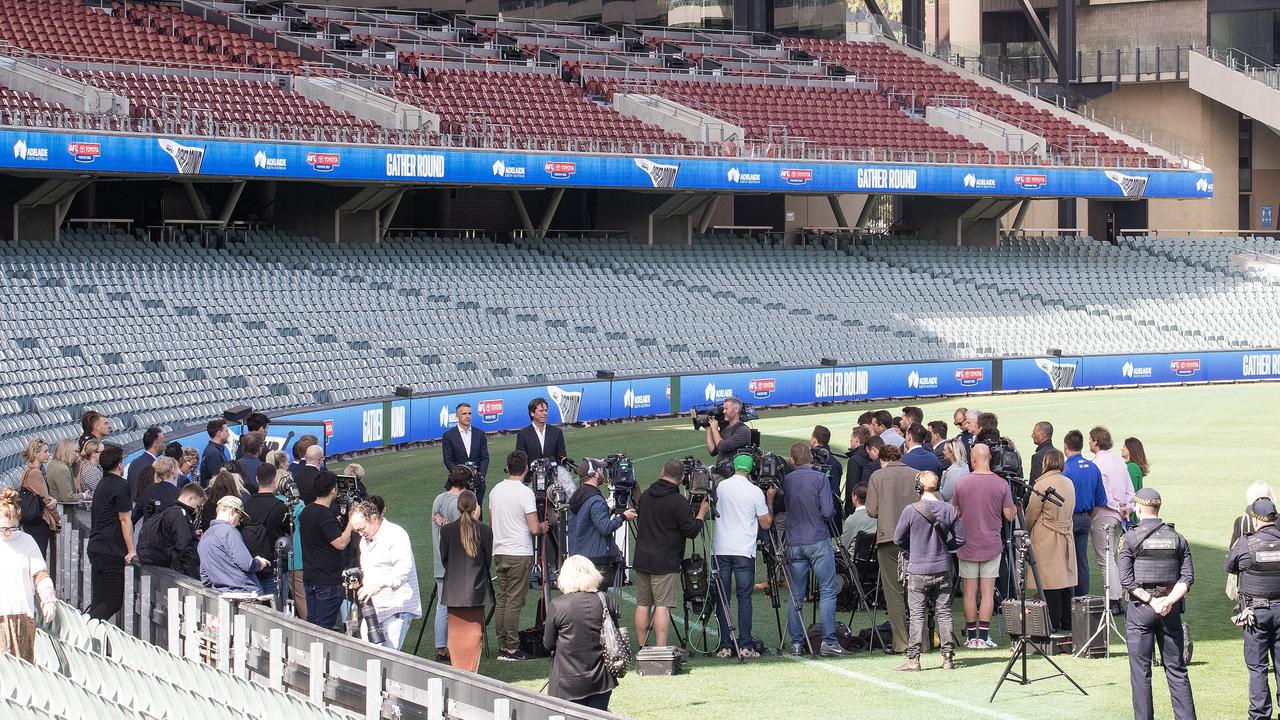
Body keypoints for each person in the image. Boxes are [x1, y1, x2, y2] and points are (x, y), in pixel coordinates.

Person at [1118, 488, 1196, 720]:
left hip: (1142, 609)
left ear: (1140, 508)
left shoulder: (1129, 538)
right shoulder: (1177, 538)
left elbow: (1126, 580)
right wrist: (1167, 601)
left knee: (1141, 673)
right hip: (1170, 609)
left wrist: (1152, 601)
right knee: (1177, 670)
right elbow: (1187, 579)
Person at [782, 444, 851, 657]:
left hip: (794, 541)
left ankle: (796, 643)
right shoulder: (820, 478)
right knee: (828, 590)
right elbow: (829, 512)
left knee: (796, 595)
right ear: (810, 458)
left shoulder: (786, 480)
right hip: (817, 539)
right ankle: (829, 641)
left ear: (793, 460)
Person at [634, 458, 709, 648]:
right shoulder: (677, 501)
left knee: (643, 604)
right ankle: (660, 648)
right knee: (662, 605)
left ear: (662, 472)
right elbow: (691, 530)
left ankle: (642, 647)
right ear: (683, 478)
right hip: (664, 561)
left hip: (643, 558)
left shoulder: (646, 495)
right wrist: (702, 512)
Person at [893, 470, 964, 671]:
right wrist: (945, 547)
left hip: (918, 569)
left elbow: (898, 539)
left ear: (918, 488)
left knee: (916, 615)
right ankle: (948, 657)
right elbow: (961, 539)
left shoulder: (911, 510)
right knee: (944, 613)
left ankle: (913, 660)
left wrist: (913, 547)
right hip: (942, 567)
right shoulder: (949, 509)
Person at [951, 443, 1016, 649]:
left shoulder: (962, 483)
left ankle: (972, 637)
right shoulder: (1001, 484)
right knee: (987, 592)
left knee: (970, 592)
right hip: (991, 544)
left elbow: (955, 512)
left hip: (967, 545)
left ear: (973, 459)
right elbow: (1009, 515)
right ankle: (984, 636)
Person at [711, 453, 772, 659]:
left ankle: (725, 645)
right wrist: (770, 499)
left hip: (721, 549)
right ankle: (745, 644)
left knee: (723, 598)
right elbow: (766, 523)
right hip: (744, 550)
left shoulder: (721, 487)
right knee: (744, 598)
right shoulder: (755, 491)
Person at [488, 450, 547, 661]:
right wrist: (545, 525)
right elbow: (533, 528)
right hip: (518, 552)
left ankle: (504, 643)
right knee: (513, 601)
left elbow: (491, 522)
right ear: (526, 468)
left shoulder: (495, 491)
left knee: (503, 599)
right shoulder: (524, 493)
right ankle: (511, 647)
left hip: (500, 550)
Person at [1226, 497, 1280, 720]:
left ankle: (1259, 715)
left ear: (1256, 520)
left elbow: (1230, 565)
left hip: (1255, 613)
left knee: (1257, 667)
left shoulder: (1246, 543)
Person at [543, 555, 619, 710]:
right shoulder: (603, 599)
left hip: (567, 683)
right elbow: (614, 634)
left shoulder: (558, 605)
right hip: (601, 680)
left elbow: (547, 644)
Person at [349, 500, 422, 650]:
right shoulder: (365, 540)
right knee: (369, 651)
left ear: (374, 519)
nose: (360, 533)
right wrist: (358, 580)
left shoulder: (395, 534)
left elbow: (404, 567)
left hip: (397, 606)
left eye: (362, 529)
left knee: (388, 656)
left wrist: (377, 586)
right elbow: (374, 568)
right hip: (375, 606)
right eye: (357, 531)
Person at [865, 443, 917, 654]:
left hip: (888, 540)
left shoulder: (878, 476)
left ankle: (902, 642)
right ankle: (921, 639)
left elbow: (871, 510)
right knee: (915, 591)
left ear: (882, 459)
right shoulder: (916, 474)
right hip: (914, 539)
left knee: (894, 593)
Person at [0, 488, 57, 663]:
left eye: (12, 527)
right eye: (3, 528)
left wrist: (48, 601)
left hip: (23, 616)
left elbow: (40, 574)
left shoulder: (26, 541)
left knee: (23, 666)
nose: (7, 532)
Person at [440, 490, 492, 672]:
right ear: (475, 506)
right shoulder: (484, 530)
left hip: (454, 591)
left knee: (456, 633)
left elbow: (444, 559)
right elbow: (487, 561)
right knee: (473, 633)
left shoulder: (447, 530)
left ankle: (459, 668)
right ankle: (470, 670)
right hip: (476, 590)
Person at [1026, 450, 1077, 632]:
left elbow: (1031, 514)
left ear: (1046, 462)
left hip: (1046, 535)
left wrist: (1027, 529)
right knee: (1064, 579)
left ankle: (1052, 621)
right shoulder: (1068, 483)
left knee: (1049, 581)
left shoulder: (1042, 484)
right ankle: (1067, 620)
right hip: (1064, 533)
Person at [568, 459, 636, 591]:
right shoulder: (595, 500)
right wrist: (623, 517)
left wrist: (608, 512)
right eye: (600, 469)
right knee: (597, 601)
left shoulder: (579, 495)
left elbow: (586, 520)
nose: (603, 472)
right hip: (596, 559)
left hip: (580, 555)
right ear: (594, 472)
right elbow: (605, 528)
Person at [299, 472, 355, 629]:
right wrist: (350, 523)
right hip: (327, 580)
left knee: (312, 624)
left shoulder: (306, 511)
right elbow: (341, 543)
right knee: (324, 628)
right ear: (333, 490)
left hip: (311, 577)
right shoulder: (324, 515)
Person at [86, 445, 134, 621]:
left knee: (99, 600)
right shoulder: (120, 485)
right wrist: (131, 550)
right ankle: (87, 628)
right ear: (119, 465)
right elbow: (125, 520)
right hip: (110, 550)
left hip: (97, 547)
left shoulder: (102, 483)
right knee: (113, 601)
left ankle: (89, 631)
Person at [1090, 426, 1135, 613]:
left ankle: (1114, 599)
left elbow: (1103, 492)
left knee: (1106, 559)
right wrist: (1127, 508)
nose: (1090, 443)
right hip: (1119, 516)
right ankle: (1117, 597)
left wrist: (1117, 506)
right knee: (1112, 558)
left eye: (1091, 439)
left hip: (1104, 514)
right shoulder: (1118, 461)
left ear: (1096, 441)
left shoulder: (1098, 463)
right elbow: (1130, 490)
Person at [1061, 429, 1108, 597]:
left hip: (1069, 519)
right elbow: (1100, 500)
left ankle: (1069, 598)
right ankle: (1082, 598)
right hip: (1086, 518)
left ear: (1065, 446)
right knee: (1082, 559)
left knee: (1067, 560)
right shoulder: (1093, 467)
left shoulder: (1065, 468)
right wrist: (1088, 517)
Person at [430, 466, 468, 663]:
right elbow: (462, 534)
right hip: (454, 563)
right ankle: (455, 645)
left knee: (441, 606)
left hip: (439, 560)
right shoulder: (459, 503)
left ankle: (440, 646)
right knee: (456, 607)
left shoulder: (438, 499)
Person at [198, 495, 270, 594]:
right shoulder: (230, 531)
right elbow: (247, 564)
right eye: (240, 518)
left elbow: (205, 578)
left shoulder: (204, 537)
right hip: (245, 594)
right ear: (233, 511)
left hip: (220, 595)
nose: (239, 523)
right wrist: (258, 563)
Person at [137, 483, 204, 579]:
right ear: (190, 499)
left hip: (156, 565)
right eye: (198, 506)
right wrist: (194, 575)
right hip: (175, 571)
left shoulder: (169, 511)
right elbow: (184, 547)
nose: (196, 511)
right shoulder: (179, 514)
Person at [244, 464, 290, 598]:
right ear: (275, 480)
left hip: (253, 564)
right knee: (277, 610)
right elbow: (288, 531)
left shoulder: (246, 504)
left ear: (257, 479)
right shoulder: (280, 506)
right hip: (275, 565)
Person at [442, 402, 490, 505]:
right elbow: (448, 460)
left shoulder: (480, 434)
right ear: (457, 416)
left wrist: (481, 475)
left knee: (477, 514)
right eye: (464, 414)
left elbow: (485, 458)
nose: (468, 416)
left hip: (478, 484)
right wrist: (461, 476)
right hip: (457, 484)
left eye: (469, 413)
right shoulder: (448, 436)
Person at [19, 438, 59, 557]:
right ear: (36, 454)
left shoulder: (27, 471)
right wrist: (57, 520)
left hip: (31, 522)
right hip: (39, 522)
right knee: (38, 556)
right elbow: (46, 500)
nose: (48, 454)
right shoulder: (35, 473)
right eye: (45, 451)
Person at [132, 457, 181, 534]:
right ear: (172, 470)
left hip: (149, 536)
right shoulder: (178, 493)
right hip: (168, 538)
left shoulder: (149, 489)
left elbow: (135, 515)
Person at [515, 397, 568, 464]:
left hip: (554, 473)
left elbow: (562, 458)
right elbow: (521, 461)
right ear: (532, 413)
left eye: (546, 410)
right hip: (531, 474)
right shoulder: (523, 434)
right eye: (541, 411)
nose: (545, 413)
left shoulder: (557, 432)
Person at [704, 396, 752, 464]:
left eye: (726, 409)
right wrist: (708, 429)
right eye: (723, 409)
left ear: (736, 410)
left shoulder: (743, 430)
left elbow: (722, 447)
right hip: (721, 470)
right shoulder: (725, 428)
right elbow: (713, 451)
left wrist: (715, 429)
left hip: (733, 471)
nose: (723, 411)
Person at [811, 425, 843, 519]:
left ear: (814, 440)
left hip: (819, 511)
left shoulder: (812, 463)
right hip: (834, 509)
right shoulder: (836, 462)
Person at [127, 426, 165, 497]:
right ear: (155, 445)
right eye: (162, 442)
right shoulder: (155, 466)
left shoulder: (134, 463)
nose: (164, 445)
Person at [45, 439, 85, 506]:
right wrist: (83, 495)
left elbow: (75, 473)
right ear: (67, 451)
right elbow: (67, 497)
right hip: (64, 512)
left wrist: (77, 462)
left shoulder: (54, 463)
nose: (77, 455)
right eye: (75, 451)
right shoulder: (62, 469)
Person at [841, 483, 877, 549]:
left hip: (853, 558)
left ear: (855, 497)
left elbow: (844, 546)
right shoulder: (878, 516)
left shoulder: (851, 520)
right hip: (875, 557)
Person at [1123, 437, 1150, 525]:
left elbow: (1131, 491)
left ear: (1130, 450)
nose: (1122, 449)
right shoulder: (1132, 466)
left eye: (1124, 447)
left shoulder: (1131, 467)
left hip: (1130, 514)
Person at [200, 419, 232, 486]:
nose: (229, 434)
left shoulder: (212, 450)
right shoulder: (214, 453)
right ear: (219, 433)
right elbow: (218, 480)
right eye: (226, 431)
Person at [939, 437, 968, 503]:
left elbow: (944, 496)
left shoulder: (954, 471)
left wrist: (938, 484)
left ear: (951, 453)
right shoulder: (964, 465)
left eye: (944, 450)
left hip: (951, 509)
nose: (943, 452)